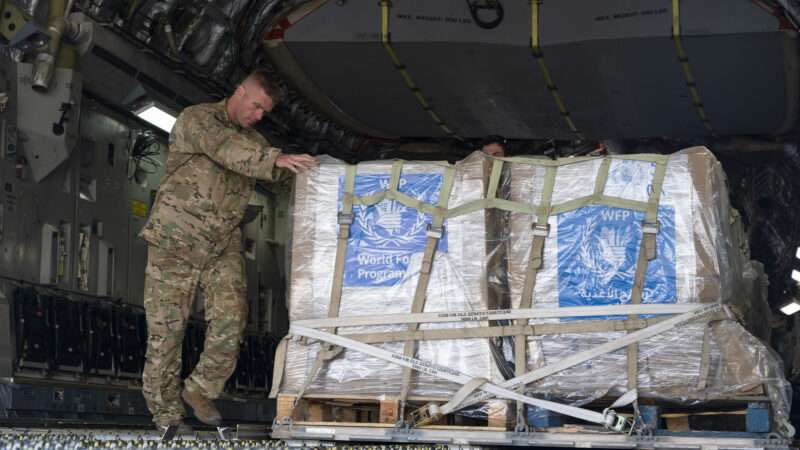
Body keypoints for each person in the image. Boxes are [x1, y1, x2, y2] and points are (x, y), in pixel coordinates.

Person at [138, 70, 316, 431]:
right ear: (240, 92)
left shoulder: (255, 142)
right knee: (166, 333)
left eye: (265, 112)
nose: (258, 116)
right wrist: (275, 159)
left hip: (221, 245)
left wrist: (321, 174)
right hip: (176, 241)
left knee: (233, 319)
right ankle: (166, 414)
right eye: (256, 106)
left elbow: (280, 176)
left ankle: (201, 387)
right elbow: (228, 150)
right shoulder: (200, 119)